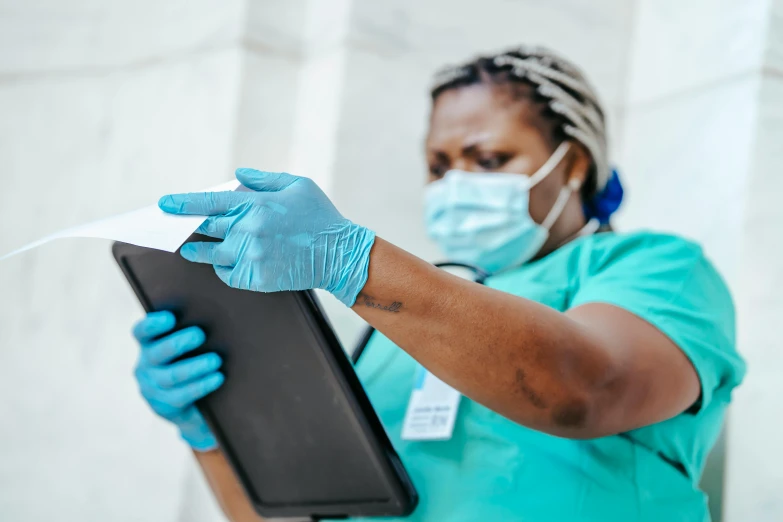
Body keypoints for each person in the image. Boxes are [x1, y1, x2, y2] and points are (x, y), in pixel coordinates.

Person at [131, 46, 745, 521]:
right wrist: (216, 430)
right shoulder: (395, 326)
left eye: (488, 159)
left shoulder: (653, 267)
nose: (456, 183)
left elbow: (584, 389)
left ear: (576, 163)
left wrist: (352, 260)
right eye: (438, 166)